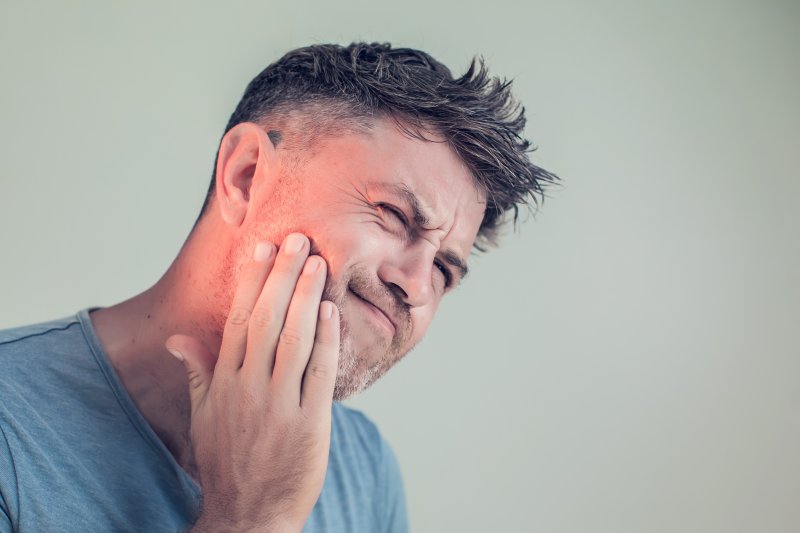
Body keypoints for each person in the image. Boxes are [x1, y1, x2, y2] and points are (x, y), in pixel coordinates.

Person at [0, 42, 557, 532]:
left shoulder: (366, 469)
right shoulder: (12, 429)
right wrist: (251, 520)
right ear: (245, 176)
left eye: (444, 270)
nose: (415, 286)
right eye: (392, 213)